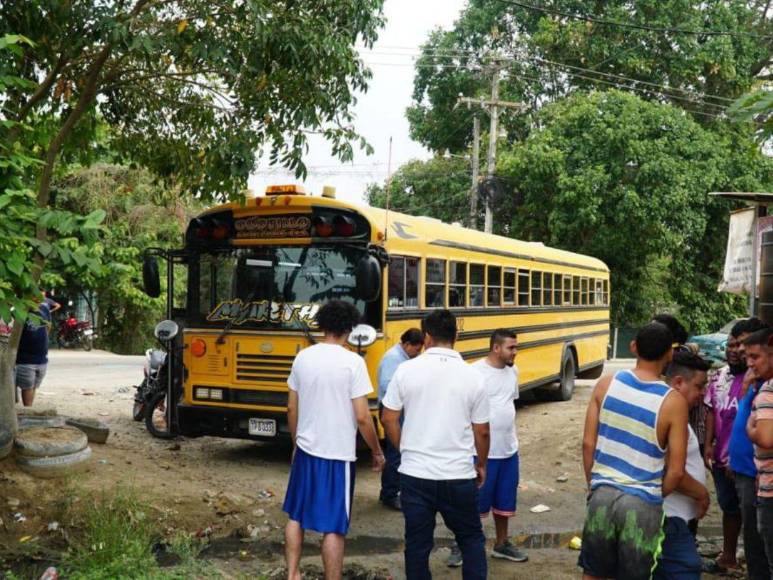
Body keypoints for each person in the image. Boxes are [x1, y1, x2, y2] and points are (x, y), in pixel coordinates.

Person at [382, 309, 490, 580]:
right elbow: (483, 432)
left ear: (427, 337)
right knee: (471, 539)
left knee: (417, 544)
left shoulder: (405, 370)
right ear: (456, 336)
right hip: (458, 475)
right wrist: (481, 464)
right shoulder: (474, 377)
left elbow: (388, 418)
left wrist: (404, 447)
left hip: (415, 475)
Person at [282, 300, 385, 580]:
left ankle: (292, 574)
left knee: (296, 515)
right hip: (337, 455)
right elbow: (363, 417)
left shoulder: (303, 357)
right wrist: (377, 451)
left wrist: (295, 444)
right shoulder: (353, 362)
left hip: (305, 450)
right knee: (334, 526)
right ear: (350, 329)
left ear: (322, 325)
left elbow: (292, 408)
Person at [579, 322, 688, 580]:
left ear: (633, 347)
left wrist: (595, 484)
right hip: (642, 504)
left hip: (602, 494)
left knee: (593, 573)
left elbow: (587, 444)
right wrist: (650, 494)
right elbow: (676, 470)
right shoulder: (673, 402)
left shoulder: (605, 385)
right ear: (670, 354)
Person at [447, 328, 527, 568]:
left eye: (516, 346)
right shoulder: (474, 373)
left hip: (508, 450)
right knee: (471, 503)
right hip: (481, 452)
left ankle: (502, 544)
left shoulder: (513, 372)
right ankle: (460, 545)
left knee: (504, 503)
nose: (515, 351)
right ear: (496, 348)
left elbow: (509, 403)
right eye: (511, 347)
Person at [654, 349, 711, 579]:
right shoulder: (669, 415)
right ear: (678, 382)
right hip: (669, 518)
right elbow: (671, 471)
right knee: (685, 570)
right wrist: (701, 494)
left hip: (675, 518)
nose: (703, 394)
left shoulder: (672, 412)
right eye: (699, 386)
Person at [702, 320, 751, 572]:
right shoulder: (718, 376)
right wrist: (709, 444)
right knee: (728, 507)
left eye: (739, 345)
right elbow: (711, 410)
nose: (733, 350)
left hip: (743, 460)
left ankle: (746, 559)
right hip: (720, 457)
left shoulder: (755, 380)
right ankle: (729, 556)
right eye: (730, 345)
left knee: (748, 510)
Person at [728, 318, 770, 580]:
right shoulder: (754, 381)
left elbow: (763, 435)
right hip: (747, 469)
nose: (744, 356)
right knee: (755, 540)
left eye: (751, 351)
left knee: (759, 543)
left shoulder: (766, 387)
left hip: (758, 474)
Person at [377, 328, 423, 511]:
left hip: (398, 408)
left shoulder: (403, 357)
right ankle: (390, 494)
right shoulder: (393, 358)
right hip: (392, 409)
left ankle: (389, 491)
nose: (417, 354)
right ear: (407, 344)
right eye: (416, 350)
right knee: (396, 452)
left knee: (398, 452)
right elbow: (386, 385)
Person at [744, 328, 773, 577]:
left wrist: (750, 428)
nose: (750, 363)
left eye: (755, 356)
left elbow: (765, 438)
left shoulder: (768, 391)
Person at [15, 292, 60, 407]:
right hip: (25, 358)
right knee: (28, 387)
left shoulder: (44, 310)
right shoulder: (19, 312)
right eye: (35, 295)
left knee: (34, 386)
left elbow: (48, 326)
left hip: (41, 358)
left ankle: (28, 410)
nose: (39, 298)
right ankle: (28, 410)